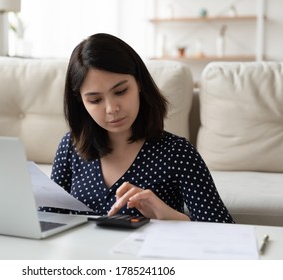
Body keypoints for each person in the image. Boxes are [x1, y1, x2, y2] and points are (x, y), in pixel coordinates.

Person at [47, 33, 234, 223]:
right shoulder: (71, 146)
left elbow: (226, 231)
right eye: (95, 100)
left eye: (120, 91)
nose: (112, 109)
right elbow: (45, 218)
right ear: (81, 102)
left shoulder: (177, 153)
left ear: (139, 84)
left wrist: (169, 216)